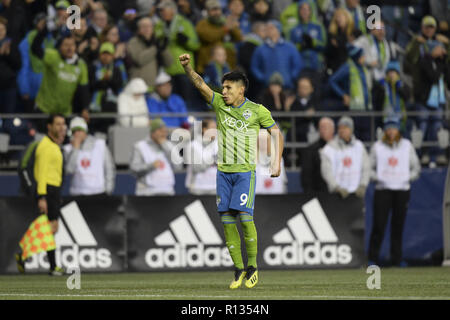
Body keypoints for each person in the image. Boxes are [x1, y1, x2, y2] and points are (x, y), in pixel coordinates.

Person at [179, 53, 284, 289]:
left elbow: (277, 134)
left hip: (245, 173)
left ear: (240, 90)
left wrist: (276, 161)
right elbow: (200, 84)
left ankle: (253, 267)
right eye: (223, 87)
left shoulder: (258, 111)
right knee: (227, 222)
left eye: (228, 87)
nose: (223, 91)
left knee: (245, 220)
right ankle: (238, 269)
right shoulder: (218, 104)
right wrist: (188, 68)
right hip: (223, 173)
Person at [15, 114, 67, 276]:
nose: (61, 127)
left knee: (47, 228)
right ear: (49, 127)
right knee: (50, 228)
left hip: (53, 190)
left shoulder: (54, 146)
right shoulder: (45, 146)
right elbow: (42, 173)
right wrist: (42, 196)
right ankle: (52, 266)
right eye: (58, 124)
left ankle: (22, 255)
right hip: (48, 190)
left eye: (63, 124)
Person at [368, 117, 421, 267]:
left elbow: (416, 168)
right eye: (389, 128)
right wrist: (378, 178)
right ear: (385, 130)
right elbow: (368, 168)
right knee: (379, 224)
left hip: (401, 190)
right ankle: (373, 258)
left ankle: (396, 259)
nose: (391, 132)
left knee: (398, 226)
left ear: (399, 129)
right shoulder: (377, 147)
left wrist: (406, 178)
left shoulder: (407, 146)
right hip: (383, 190)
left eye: (394, 128)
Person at [404, 15, 450, 167]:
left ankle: (438, 154)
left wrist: (447, 46)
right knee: (422, 125)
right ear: (422, 27)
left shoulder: (441, 42)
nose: (429, 30)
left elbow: (445, 65)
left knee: (437, 125)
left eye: (432, 27)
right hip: (422, 91)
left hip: (438, 93)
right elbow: (409, 62)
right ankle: (420, 155)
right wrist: (429, 54)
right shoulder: (416, 42)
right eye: (426, 27)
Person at [31, 28, 90, 126]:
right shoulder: (53, 56)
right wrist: (44, 30)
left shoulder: (81, 65)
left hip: (64, 113)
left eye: (72, 45)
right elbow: (35, 49)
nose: (69, 48)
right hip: (44, 110)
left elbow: (84, 89)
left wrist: (85, 108)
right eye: (66, 45)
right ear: (60, 47)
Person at [154, 0, 200, 110]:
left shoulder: (185, 23)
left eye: (164, 10)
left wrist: (186, 41)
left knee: (186, 101)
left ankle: (187, 124)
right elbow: (156, 42)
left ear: (172, 11)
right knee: (171, 102)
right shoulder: (159, 26)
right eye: (160, 11)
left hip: (184, 69)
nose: (162, 13)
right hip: (168, 69)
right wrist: (160, 42)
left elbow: (196, 45)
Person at [328, 45, 373, 141]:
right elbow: (332, 81)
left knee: (367, 137)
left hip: (366, 108)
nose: (364, 58)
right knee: (356, 136)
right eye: (362, 56)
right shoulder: (348, 67)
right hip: (354, 109)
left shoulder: (363, 68)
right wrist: (343, 95)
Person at [320, 116, 370, 199]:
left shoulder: (359, 146)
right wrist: (336, 187)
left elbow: (366, 167)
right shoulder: (329, 148)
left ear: (351, 129)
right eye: (340, 128)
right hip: (337, 194)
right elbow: (326, 171)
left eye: (345, 128)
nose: (342, 130)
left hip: (357, 193)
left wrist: (363, 185)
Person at [130, 118, 183, 196]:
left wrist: (165, 146)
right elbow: (134, 169)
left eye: (164, 131)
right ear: (152, 132)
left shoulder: (169, 145)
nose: (163, 134)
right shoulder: (140, 146)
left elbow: (178, 166)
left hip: (167, 191)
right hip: (147, 192)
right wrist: (151, 166)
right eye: (160, 131)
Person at [63, 117, 116, 196]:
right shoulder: (68, 149)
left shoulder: (100, 145)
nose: (77, 134)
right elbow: (69, 170)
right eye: (74, 131)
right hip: (76, 193)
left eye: (79, 130)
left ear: (85, 131)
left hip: (99, 192)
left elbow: (109, 169)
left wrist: (108, 190)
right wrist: (76, 149)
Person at [250, 20, 303, 92]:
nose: (268, 30)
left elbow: (297, 65)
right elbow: (254, 66)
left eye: (271, 28)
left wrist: (291, 77)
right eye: (267, 28)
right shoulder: (260, 48)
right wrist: (262, 78)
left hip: (287, 87)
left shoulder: (290, 47)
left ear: (278, 30)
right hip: (267, 88)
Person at [195, 0, 242, 74]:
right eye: (213, 10)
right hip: (207, 66)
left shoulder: (224, 21)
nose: (216, 12)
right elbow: (209, 37)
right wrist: (225, 28)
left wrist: (233, 24)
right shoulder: (202, 24)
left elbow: (239, 38)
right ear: (207, 11)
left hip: (226, 65)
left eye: (218, 9)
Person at [88, 42, 124, 133]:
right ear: (100, 55)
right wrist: (103, 80)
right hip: (94, 108)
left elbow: (118, 85)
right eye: (104, 54)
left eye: (108, 54)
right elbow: (90, 85)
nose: (106, 57)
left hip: (110, 108)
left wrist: (109, 80)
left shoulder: (116, 69)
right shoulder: (93, 67)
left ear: (112, 56)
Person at [127, 17, 172, 89]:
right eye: (144, 26)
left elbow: (169, 63)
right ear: (139, 29)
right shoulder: (133, 42)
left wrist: (163, 49)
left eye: (149, 26)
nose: (147, 29)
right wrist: (155, 48)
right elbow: (139, 60)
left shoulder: (157, 41)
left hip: (155, 86)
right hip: (139, 87)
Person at [288, 0, 327, 73]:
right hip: (300, 64)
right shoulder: (293, 29)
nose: (304, 11)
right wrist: (300, 46)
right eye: (302, 9)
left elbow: (324, 46)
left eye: (307, 9)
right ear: (299, 11)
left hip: (316, 64)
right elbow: (290, 48)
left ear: (310, 11)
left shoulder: (318, 27)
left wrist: (312, 42)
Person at [301, 117, 335, 194]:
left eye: (326, 128)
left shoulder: (339, 149)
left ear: (333, 130)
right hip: (318, 194)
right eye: (321, 128)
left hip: (337, 194)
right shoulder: (311, 150)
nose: (323, 130)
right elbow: (306, 177)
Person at [185, 118, 218, 195]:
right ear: (204, 129)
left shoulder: (218, 145)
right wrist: (214, 158)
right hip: (198, 188)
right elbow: (197, 167)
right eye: (212, 128)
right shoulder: (193, 145)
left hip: (215, 188)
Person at [255, 130, 287, 194]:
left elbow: (283, 182)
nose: (263, 143)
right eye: (260, 140)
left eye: (265, 140)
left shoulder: (279, 159)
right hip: (258, 197)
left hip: (276, 197)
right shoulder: (251, 160)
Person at [0, 16, 21, 114]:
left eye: (2, 29)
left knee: (8, 116)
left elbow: (18, 65)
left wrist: (8, 55)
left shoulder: (11, 44)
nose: (1, 32)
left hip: (9, 87)